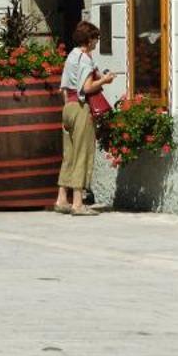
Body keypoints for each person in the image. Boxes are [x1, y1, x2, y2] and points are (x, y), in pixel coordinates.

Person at [56, 20, 114, 216]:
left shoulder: (71, 56)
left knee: (69, 154)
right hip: (81, 108)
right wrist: (104, 80)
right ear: (88, 40)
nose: (97, 42)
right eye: (95, 38)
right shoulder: (85, 59)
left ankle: (62, 199)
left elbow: (64, 88)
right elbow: (87, 87)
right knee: (83, 153)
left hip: (68, 107)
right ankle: (78, 203)